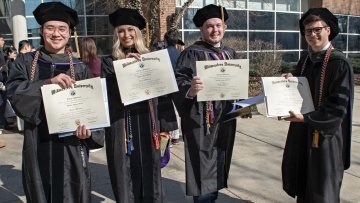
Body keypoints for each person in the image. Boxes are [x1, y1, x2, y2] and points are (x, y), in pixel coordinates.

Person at [6, 2, 104, 202]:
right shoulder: (25, 62)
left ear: (69, 33)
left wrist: (90, 131)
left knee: (72, 192)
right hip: (38, 142)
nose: (56, 34)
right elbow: (14, 92)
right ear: (42, 31)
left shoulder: (81, 68)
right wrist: (47, 83)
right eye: (50, 28)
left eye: (62, 29)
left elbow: (93, 109)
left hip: (72, 148)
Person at [102, 8, 177, 203]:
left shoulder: (152, 59)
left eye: (130, 29)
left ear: (138, 32)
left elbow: (164, 94)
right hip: (122, 127)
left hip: (149, 123)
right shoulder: (109, 62)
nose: (126, 35)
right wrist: (123, 70)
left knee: (151, 172)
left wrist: (166, 127)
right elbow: (105, 96)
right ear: (116, 35)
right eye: (121, 31)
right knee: (124, 173)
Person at [281, 8, 354, 203]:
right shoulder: (305, 60)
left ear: (328, 30)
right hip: (302, 132)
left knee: (322, 191)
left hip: (326, 137)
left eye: (317, 29)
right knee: (304, 185)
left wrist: (307, 118)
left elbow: (338, 105)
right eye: (308, 31)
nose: (312, 35)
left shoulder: (339, 64)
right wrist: (291, 80)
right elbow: (303, 88)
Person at [174, 4, 243, 202]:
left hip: (225, 119)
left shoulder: (230, 53)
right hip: (200, 121)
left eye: (218, 25)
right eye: (209, 26)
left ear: (225, 27)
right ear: (202, 30)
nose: (215, 30)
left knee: (220, 159)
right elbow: (179, 81)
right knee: (202, 164)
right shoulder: (191, 53)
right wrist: (190, 89)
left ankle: (212, 197)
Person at [164, 28, 183, 146]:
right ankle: (176, 136)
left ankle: (168, 137)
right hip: (178, 86)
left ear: (165, 40)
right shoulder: (181, 54)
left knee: (167, 112)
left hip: (166, 87)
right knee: (176, 111)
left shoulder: (162, 54)